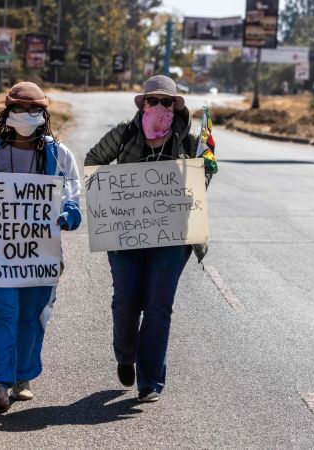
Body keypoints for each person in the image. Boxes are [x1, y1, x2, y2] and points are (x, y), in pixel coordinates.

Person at [85, 75, 215, 402]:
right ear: (143, 104)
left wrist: (204, 164)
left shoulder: (189, 141)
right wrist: (113, 197)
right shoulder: (125, 133)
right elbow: (93, 162)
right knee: (126, 303)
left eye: (166, 101)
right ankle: (126, 355)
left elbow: (204, 178)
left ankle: (150, 382)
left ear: (176, 107)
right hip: (126, 236)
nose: (159, 106)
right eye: (152, 100)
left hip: (173, 237)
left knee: (159, 306)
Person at [0, 82, 82, 412]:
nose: (26, 115)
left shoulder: (58, 155)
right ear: (6, 112)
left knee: (31, 315)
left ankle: (22, 377)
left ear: (44, 113)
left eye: (33, 110)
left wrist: (70, 212)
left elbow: (72, 192)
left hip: (40, 257)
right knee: (4, 313)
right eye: (19, 109)